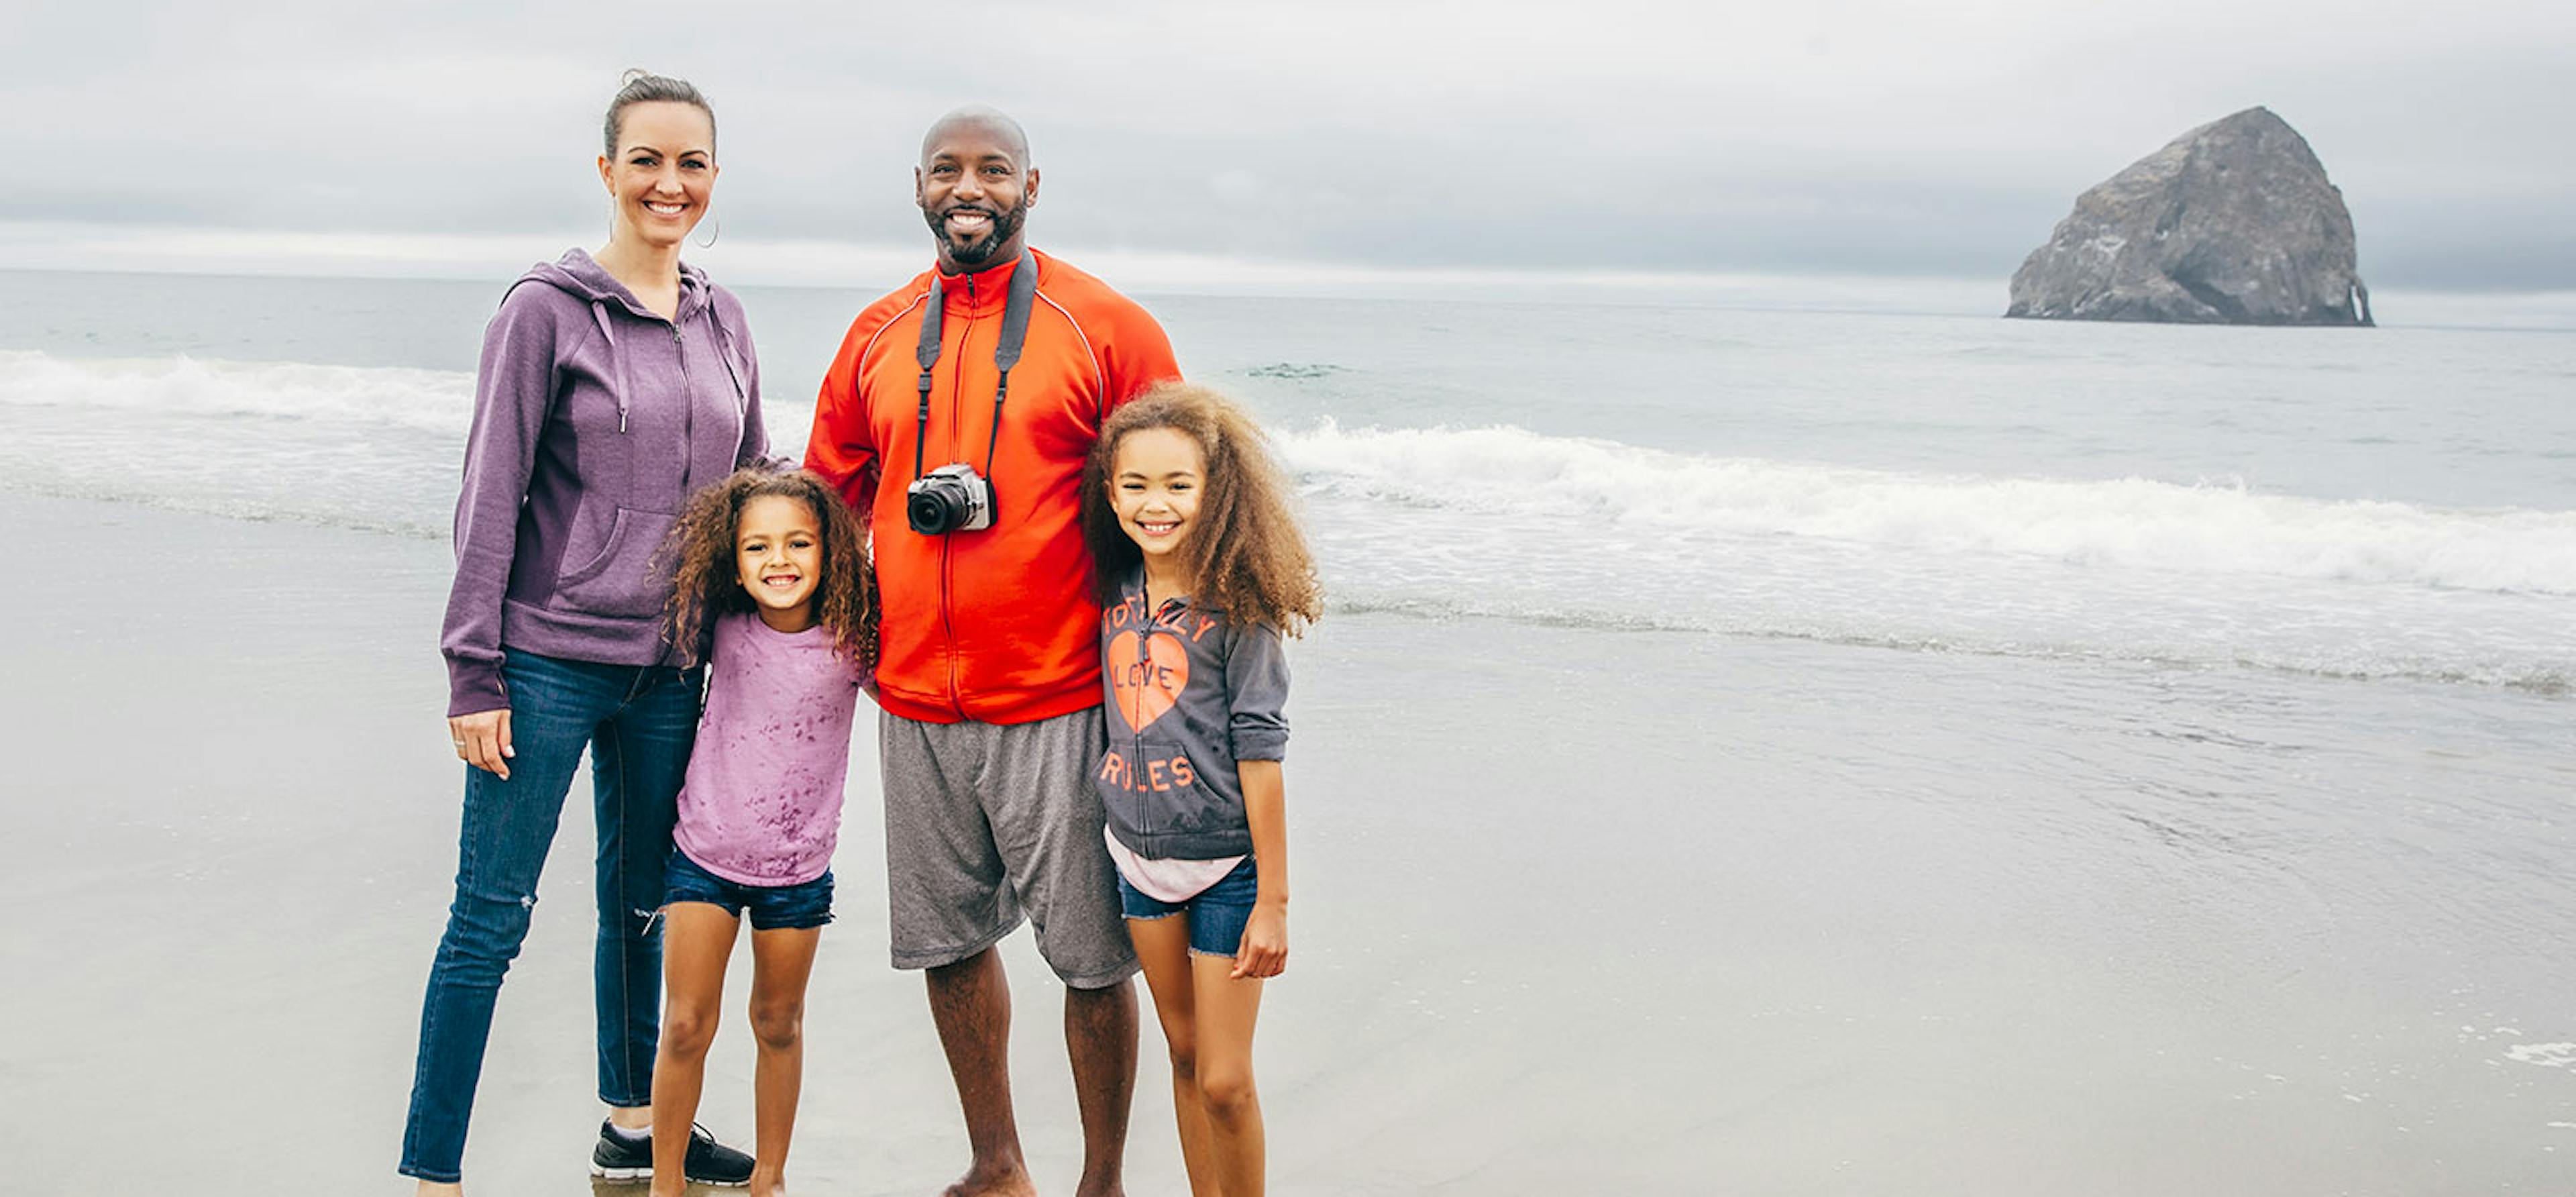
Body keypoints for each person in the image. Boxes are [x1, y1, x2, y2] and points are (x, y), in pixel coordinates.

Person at [804, 105, 1180, 1197]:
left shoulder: (1105, 324)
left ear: (1031, 184)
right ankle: (996, 1162)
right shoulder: (878, 330)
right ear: (917, 185)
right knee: (947, 941)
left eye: (993, 169)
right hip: (915, 701)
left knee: (1093, 955)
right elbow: (823, 500)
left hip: (1059, 696)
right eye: (946, 169)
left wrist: (1169, 680)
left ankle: (1101, 1177)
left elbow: (1181, 499)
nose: (969, 186)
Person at [403, 70, 760, 1193]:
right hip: (546, 660)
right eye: (647, 160)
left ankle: (629, 1119)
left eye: (692, 162)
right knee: (490, 918)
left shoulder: (725, 317)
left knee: (643, 908)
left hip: (670, 671)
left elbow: (756, 486)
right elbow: (488, 495)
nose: (670, 182)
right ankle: (431, 1168)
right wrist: (474, 673)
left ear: (714, 178)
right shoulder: (542, 312)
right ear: (608, 172)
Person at [1081, 383, 1322, 1197]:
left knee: (1223, 1076)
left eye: (1179, 485)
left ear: (1216, 492)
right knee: (1181, 1054)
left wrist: (1276, 901)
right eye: (1137, 485)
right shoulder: (1111, 596)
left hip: (1227, 868)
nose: (1157, 504)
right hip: (1136, 862)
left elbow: (1262, 752)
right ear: (1110, 491)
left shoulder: (1239, 611)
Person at [642, 466, 875, 1197]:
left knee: (778, 1021)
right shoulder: (723, 628)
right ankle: (667, 1181)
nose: (779, 560)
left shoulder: (857, 640)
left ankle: (768, 1180)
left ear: (830, 549)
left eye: (799, 543)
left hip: (799, 870)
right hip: (703, 856)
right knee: (685, 1023)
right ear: (734, 560)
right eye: (758, 547)